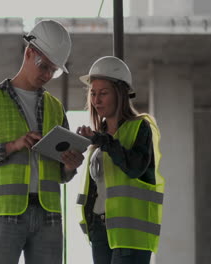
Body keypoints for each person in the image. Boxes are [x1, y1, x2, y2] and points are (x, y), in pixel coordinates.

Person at [0, 19, 84, 264]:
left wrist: (70, 165)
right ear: (29, 52)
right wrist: (12, 146)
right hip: (1, 213)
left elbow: (62, 174)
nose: (48, 75)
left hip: (48, 214)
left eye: (54, 70)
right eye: (44, 66)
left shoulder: (55, 108)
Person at [75, 56, 165, 264]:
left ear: (121, 94)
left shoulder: (139, 127)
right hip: (100, 230)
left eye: (103, 93)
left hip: (130, 234)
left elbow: (134, 167)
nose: (96, 100)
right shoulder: (99, 139)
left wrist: (104, 141)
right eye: (93, 93)